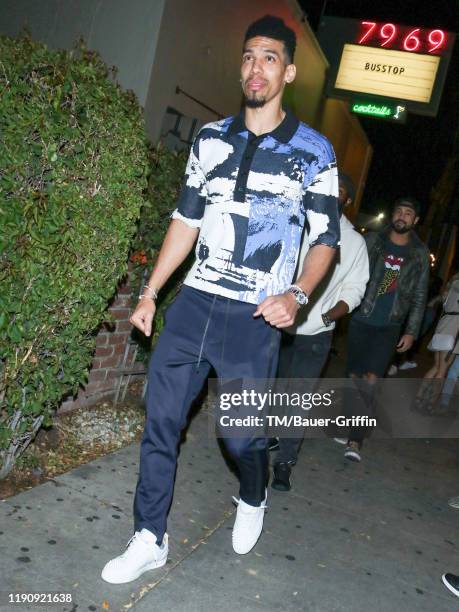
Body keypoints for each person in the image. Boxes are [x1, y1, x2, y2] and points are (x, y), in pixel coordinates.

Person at [101, 15, 340, 584]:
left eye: (270, 58)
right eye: (249, 56)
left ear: (289, 70)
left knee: (241, 436)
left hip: (256, 317)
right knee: (161, 424)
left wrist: (298, 295)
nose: (257, 67)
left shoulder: (315, 152)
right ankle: (148, 537)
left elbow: (325, 240)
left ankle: (253, 496)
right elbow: (186, 220)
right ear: (242, 65)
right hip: (194, 306)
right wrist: (153, 292)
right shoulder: (211, 140)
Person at [271, 174, 369, 491]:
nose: (333, 194)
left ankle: (285, 461)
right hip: (279, 323)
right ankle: (268, 437)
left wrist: (328, 316)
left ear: (348, 200)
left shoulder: (354, 242)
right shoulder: (299, 222)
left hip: (316, 332)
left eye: (341, 191)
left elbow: (355, 289)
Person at [343, 197, 430, 462]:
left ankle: (355, 439)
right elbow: (353, 273)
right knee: (353, 376)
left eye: (408, 213)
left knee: (372, 378)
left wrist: (411, 331)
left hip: (389, 326)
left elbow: (419, 295)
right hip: (361, 318)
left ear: (415, 221)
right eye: (399, 211)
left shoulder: (419, 254)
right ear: (393, 215)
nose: (402, 216)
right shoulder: (373, 242)